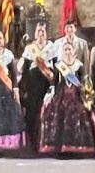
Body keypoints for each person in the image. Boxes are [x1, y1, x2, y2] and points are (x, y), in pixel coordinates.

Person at [40, 38, 95, 153]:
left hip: (77, 94)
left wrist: (86, 94)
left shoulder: (79, 65)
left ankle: (78, 145)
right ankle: (60, 146)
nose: (68, 52)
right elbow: (54, 83)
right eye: (65, 50)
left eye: (69, 49)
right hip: (61, 93)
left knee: (82, 112)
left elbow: (84, 81)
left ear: (74, 51)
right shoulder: (59, 65)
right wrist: (49, 95)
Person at [18, 21, 56, 151]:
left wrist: (54, 84)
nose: (40, 34)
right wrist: (23, 87)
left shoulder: (51, 48)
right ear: (35, 34)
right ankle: (32, 142)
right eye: (38, 31)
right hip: (32, 84)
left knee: (45, 112)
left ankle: (45, 142)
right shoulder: (30, 49)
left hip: (46, 84)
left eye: (43, 31)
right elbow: (25, 70)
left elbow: (56, 67)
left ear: (46, 34)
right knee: (32, 112)